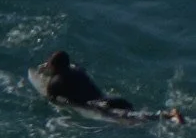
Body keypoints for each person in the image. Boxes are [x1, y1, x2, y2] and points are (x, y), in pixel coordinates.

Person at [30, 50, 183, 121]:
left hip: (101, 106)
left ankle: (169, 115)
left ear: (55, 67)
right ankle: (167, 115)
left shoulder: (56, 83)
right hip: (110, 98)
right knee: (134, 114)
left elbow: (51, 99)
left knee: (135, 117)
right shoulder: (77, 70)